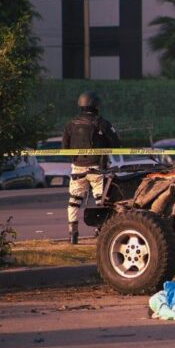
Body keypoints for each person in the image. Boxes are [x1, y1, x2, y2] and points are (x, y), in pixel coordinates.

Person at [62, 92, 120, 244]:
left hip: (77, 168)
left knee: (74, 200)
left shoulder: (71, 124)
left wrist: (76, 159)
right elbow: (117, 145)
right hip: (97, 168)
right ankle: (101, 230)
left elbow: (64, 148)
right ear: (95, 105)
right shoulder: (102, 123)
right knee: (102, 201)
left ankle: (72, 232)